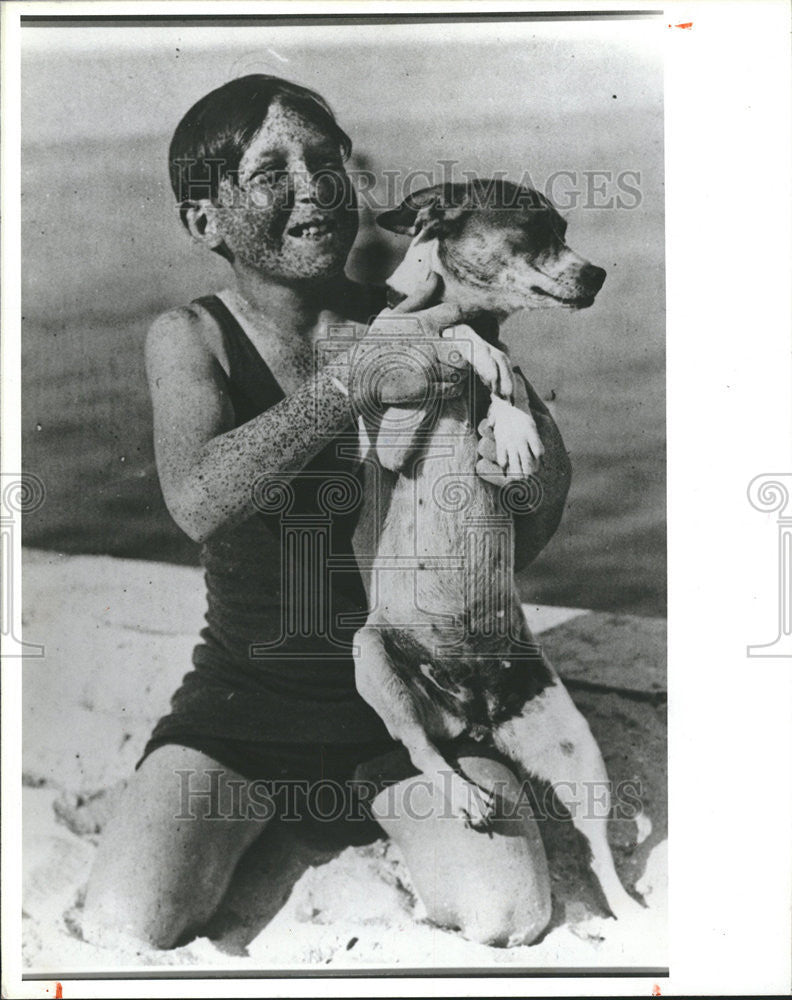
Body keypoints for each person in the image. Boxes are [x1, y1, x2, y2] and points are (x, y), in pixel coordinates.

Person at [83, 75, 570, 950]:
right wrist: (352, 380)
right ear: (205, 221)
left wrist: (523, 439)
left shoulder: (421, 323)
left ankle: (403, 804)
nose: (313, 188)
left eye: (327, 163)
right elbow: (198, 498)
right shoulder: (191, 338)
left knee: (510, 912)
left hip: (420, 700)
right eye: (272, 172)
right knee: (132, 917)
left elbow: (521, 532)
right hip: (247, 709)